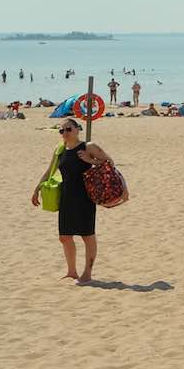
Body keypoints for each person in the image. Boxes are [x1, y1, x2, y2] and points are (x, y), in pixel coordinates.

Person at [30, 119, 115, 284]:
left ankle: (87, 274)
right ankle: (71, 271)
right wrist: (37, 188)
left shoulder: (88, 147)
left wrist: (90, 161)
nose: (65, 133)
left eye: (68, 129)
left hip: (85, 197)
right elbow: (50, 170)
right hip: (66, 197)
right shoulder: (60, 150)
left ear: (77, 129)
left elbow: (109, 163)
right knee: (64, 236)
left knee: (87, 236)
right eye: (61, 131)